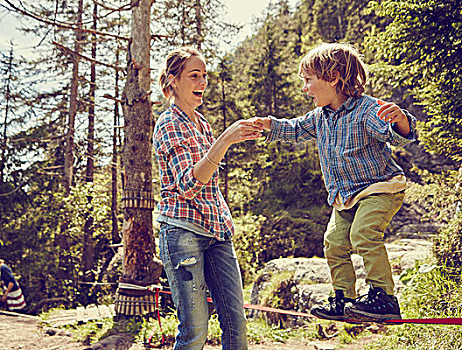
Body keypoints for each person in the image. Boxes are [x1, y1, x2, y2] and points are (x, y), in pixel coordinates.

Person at [251, 43, 417, 322]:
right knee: (334, 243)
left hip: (380, 187)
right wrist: (267, 124)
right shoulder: (319, 118)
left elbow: (396, 136)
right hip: (345, 196)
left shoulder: (366, 110)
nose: (304, 88)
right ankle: (344, 298)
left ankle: (384, 298)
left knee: (363, 234)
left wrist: (400, 120)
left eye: (308, 80)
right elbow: (293, 129)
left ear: (333, 77)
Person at [153, 47, 261, 349]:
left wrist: (221, 140)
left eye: (205, 76)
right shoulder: (168, 123)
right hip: (183, 233)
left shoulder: (201, 124)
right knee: (195, 331)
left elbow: (209, 183)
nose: (202, 82)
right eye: (194, 76)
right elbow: (188, 185)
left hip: (217, 233)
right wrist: (224, 140)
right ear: (173, 80)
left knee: (237, 330)